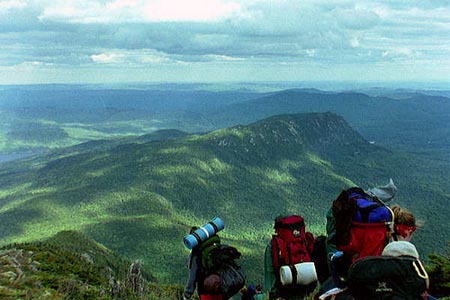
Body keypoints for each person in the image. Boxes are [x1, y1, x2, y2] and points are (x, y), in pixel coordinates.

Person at [183, 226, 223, 300]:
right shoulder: (214, 248)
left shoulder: (196, 255)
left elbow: (192, 277)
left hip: (205, 291)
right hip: (220, 289)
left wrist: (186, 295)